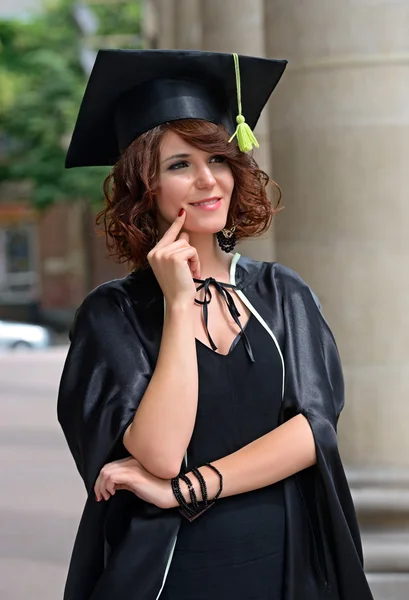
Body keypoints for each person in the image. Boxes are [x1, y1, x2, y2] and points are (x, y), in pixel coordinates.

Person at [58, 49, 374, 600]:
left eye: (219, 160)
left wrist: (184, 489)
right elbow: (158, 453)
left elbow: (313, 431)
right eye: (180, 165)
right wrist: (179, 306)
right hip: (169, 574)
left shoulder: (281, 293)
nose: (209, 180)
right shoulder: (114, 315)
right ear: (144, 188)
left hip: (287, 567)